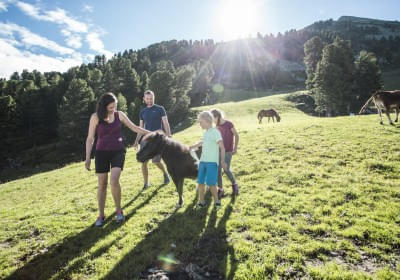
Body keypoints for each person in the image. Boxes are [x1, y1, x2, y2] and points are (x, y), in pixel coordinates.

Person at [85, 92, 150, 227]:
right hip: (101, 153)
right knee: (102, 184)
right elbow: (90, 138)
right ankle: (101, 215)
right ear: (103, 107)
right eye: (110, 107)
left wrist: (150, 133)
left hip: (118, 151)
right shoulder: (95, 117)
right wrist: (87, 158)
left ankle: (118, 211)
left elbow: (133, 127)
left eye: (115, 106)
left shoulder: (119, 114)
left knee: (114, 181)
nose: (113, 109)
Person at [134, 90, 171, 189]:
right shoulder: (143, 111)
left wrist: (169, 135)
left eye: (151, 98)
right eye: (147, 98)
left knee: (156, 161)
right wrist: (136, 141)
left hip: (157, 139)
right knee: (144, 162)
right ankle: (146, 183)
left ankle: (165, 174)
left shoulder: (160, 109)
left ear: (154, 98)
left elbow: (165, 123)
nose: (149, 100)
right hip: (145, 140)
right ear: (144, 99)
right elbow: (140, 128)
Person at [190, 111, 227, 210]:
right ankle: (202, 202)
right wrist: (192, 146)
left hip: (212, 163)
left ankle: (217, 202)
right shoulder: (206, 133)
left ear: (207, 121)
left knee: (211, 184)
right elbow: (203, 142)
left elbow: (222, 148)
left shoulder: (215, 132)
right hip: (202, 162)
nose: (200, 124)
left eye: (200, 122)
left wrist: (223, 161)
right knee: (200, 183)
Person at [211, 109, 239, 198]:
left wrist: (235, 148)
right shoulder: (216, 127)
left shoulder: (229, 124)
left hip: (228, 151)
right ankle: (221, 189)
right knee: (217, 170)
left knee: (226, 169)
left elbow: (237, 135)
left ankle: (235, 185)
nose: (212, 121)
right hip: (218, 151)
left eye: (213, 118)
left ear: (217, 116)